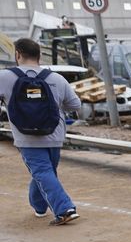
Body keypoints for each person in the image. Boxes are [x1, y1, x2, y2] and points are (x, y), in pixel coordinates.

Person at [0, 37, 82, 225]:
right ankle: (38, 206)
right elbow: (75, 104)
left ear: (17, 54)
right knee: (45, 172)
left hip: (26, 136)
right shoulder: (55, 78)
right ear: (39, 57)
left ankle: (64, 209)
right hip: (54, 135)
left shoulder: (4, 76)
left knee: (43, 172)